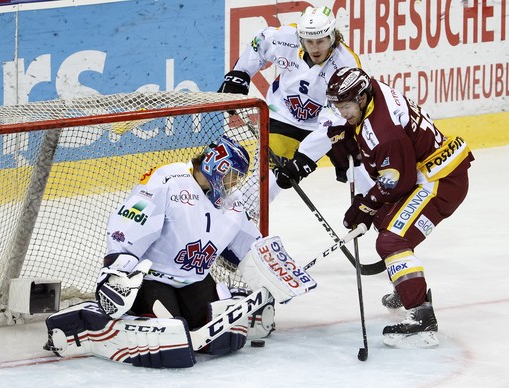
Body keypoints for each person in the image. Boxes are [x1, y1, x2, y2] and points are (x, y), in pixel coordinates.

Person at [44, 135, 317, 367]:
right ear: (217, 166)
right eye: (233, 175)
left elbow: (248, 245)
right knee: (172, 339)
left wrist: (277, 273)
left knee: (222, 339)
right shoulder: (169, 179)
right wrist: (118, 269)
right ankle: (92, 326)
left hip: (195, 280)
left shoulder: (231, 204)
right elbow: (134, 219)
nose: (235, 183)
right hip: (152, 279)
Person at [325, 67, 474, 347]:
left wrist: (365, 204)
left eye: (345, 106)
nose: (342, 112)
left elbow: (397, 182)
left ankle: (421, 316)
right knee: (387, 219)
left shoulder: (383, 131)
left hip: (440, 181)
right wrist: (349, 134)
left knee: (393, 240)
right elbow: (390, 163)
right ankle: (406, 286)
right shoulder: (373, 91)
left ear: (360, 97)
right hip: (424, 171)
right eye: (338, 106)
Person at [218, 5, 362, 200]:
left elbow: (336, 118)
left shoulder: (346, 64)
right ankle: (246, 222)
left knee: (361, 166)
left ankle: (375, 214)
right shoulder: (286, 37)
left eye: (321, 41)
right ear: (300, 38)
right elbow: (259, 42)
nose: (315, 48)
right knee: (261, 185)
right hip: (283, 114)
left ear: (332, 37)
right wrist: (240, 74)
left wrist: (304, 159)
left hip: (325, 123)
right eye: (309, 41)